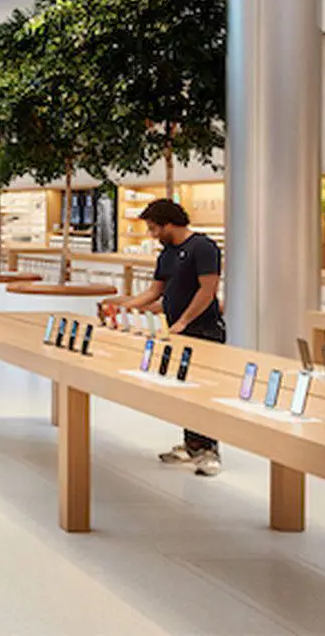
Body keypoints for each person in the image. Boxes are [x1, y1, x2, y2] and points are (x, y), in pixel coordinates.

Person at [99, 198, 227, 476]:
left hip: (203, 330)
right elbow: (154, 292)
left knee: (201, 391)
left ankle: (208, 450)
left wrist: (183, 321)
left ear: (169, 223)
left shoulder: (203, 247)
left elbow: (207, 290)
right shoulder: (166, 254)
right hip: (175, 332)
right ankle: (192, 444)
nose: (152, 234)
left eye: (154, 228)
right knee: (181, 389)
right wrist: (123, 308)